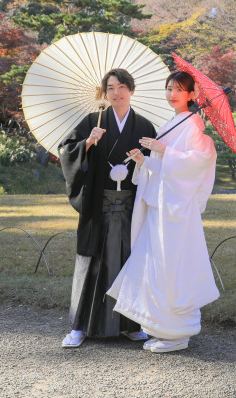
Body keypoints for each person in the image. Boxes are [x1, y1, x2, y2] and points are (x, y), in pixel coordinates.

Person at [107, 70, 219, 354]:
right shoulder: (171, 123)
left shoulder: (193, 125)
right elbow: (163, 168)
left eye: (180, 89)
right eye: (169, 88)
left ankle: (177, 332)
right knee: (153, 262)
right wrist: (145, 160)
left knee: (171, 264)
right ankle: (160, 327)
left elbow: (199, 161)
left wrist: (164, 151)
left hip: (176, 211)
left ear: (193, 95)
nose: (172, 94)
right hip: (162, 204)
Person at [57, 68, 157, 348]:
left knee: (131, 260)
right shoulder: (93, 121)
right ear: (105, 93)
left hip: (131, 207)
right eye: (111, 88)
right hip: (99, 207)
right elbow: (66, 150)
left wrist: (142, 162)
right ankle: (79, 326)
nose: (116, 92)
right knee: (93, 263)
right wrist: (88, 142)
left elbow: (157, 165)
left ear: (132, 90)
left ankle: (132, 323)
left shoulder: (145, 126)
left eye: (122, 86)